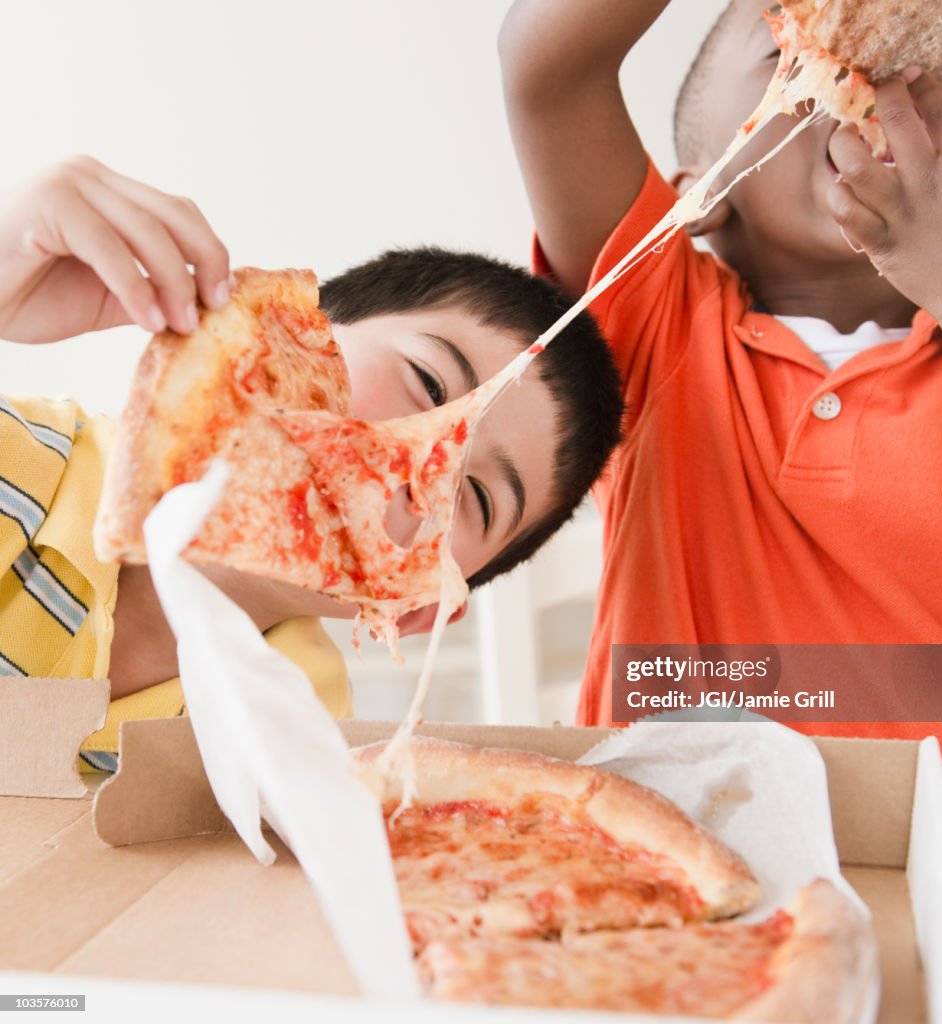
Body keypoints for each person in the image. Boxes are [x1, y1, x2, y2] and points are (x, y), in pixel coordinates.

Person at [499, 0, 942, 762]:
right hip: (679, 838)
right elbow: (547, 68)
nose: (870, 83)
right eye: (794, 46)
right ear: (698, 199)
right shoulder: (655, 328)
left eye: (914, 70)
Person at [0, 155, 623, 769]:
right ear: (288, 335)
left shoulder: (308, 740)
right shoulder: (23, 460)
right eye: (429, 385)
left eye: (476, 498)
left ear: (417, 610)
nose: (421, 464)